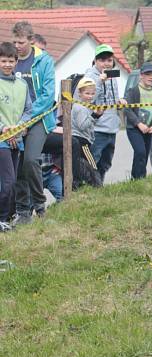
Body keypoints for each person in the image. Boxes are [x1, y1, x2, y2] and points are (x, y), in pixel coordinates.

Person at [12, 21, 55, 223]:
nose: (17, 46)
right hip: (14, 120)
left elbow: (47, 96)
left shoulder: (44, 60)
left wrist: (27, 119)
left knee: (30, 160)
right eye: (15, 42)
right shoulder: (9, 60)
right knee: (18, 164)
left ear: (31, 40)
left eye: (21, 42)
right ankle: (22, 211)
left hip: (37, 118)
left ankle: (39, 205)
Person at [81, 43, 125, 185]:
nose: (106, 63)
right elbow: (90, 98)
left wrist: (119, 101)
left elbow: (111, 98)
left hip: (111, 127)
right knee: (92, 163)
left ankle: (98, 189)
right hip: (96, 129)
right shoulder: (90, 76)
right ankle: (90, 190)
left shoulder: (112, 76)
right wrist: (100, 81)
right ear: (95, 61)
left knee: (105, 163)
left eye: (109, 60)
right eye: (102, 60)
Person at [0, 41, 32, 231]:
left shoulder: (22, 84)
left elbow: (28, 110)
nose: (7, 65)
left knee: (11, 182)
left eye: (11, 61)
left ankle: (8, 217)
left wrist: (18, 127)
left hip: (16, 139)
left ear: (16, 62)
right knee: (9, 181)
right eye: (3, 61)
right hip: (2, 140)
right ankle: (2, 218)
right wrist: (4, 128)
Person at [124, 62, 152, 179]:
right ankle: (139, 177)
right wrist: (139, 124)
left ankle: (137, 179)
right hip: (134, 128)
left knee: (143, 154)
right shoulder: (133, 91)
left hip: (149, 129)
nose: (150, 77)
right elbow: (128, 110)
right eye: (147, 74)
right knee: (140, 151)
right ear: (141, 75)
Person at [71, 77, 103, 188]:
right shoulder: (80, 108)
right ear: (79, 93)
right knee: (92, 164)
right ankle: (97, 186)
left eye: (92, 93)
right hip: (82, 141)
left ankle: (88, 184)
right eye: (87, 93)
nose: (90, 96)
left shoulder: (84, 106)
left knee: (82, 164)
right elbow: (82, 126)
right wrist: (95, 115)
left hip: (81, 139)